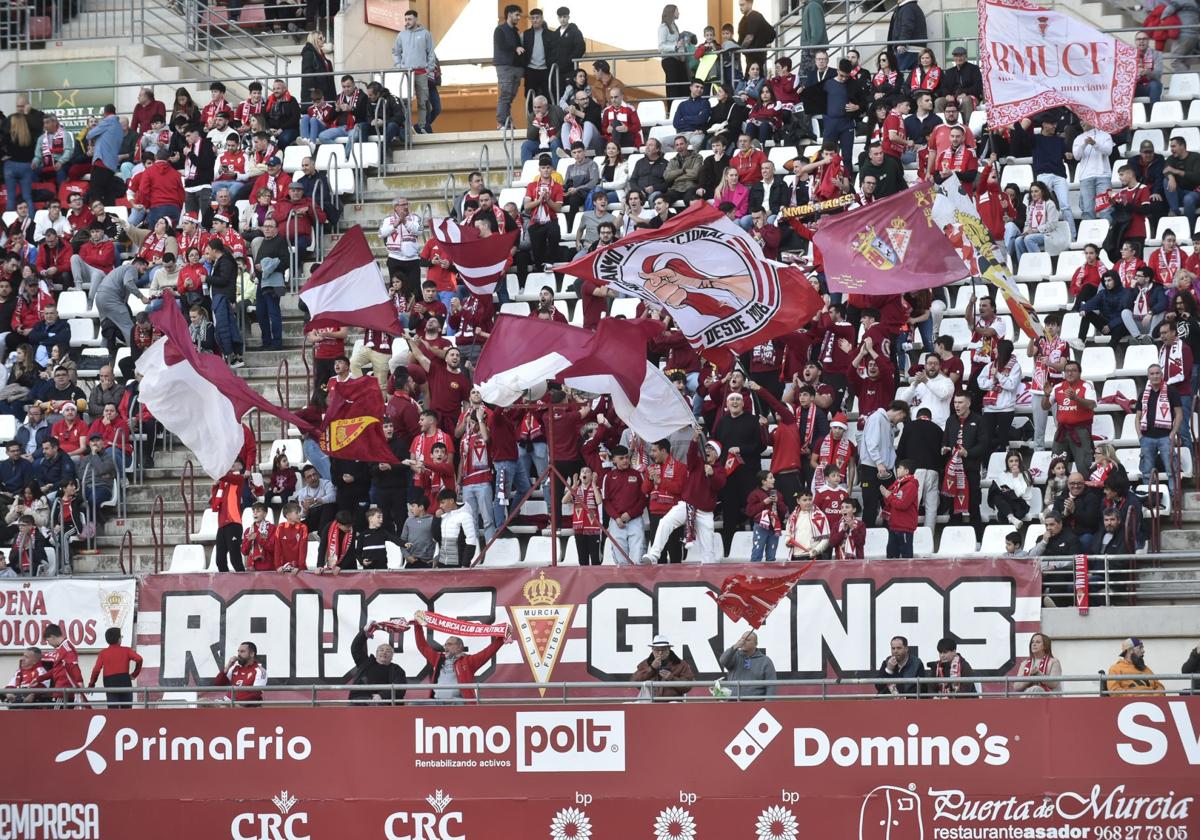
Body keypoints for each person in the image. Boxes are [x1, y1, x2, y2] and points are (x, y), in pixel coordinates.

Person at [643, 431, 726, 564]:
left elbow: (719, 485)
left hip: (705, 512)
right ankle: (653, 554)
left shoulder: (720, 470)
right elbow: (691, 456)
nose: (708, 450)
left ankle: (709, 573)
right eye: (707, 448)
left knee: (708, 548)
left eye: (711, 449)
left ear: (717, 454)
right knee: (665, 522)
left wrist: (712, 474)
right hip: (688, 505)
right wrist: (694, 441)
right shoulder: (698, 463)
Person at [410, 610, 506, 703]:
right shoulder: (438, 658)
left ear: (459, 647)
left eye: (450, 644)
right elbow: (422, 646)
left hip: (459, 703)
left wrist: (501, 640)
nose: (446, 647)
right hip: (437, 702)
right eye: (445, 644)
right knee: (414, 704)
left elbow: (487, 652)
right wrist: (417, 626)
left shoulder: (468, 661)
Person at [859, 400, 909, 528]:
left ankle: (889, 533)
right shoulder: (877, 418)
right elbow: (872, 443)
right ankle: (868, 536)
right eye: (901, 418)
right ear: (900, 412)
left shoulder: (887, 423)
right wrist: (879, 463)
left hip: (884, 468)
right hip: (872, 467)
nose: (899, 422)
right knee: (871, 504)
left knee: (889, 504)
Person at [1138, 363, 1183, 499]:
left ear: (1162, 375)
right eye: (1152, 374)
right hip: (1146, 437)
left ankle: (1175, 498)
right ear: (1148, 376)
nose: (1155, 376)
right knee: (1147, 472)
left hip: (1165, 437)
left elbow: (1179, 414)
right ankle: (1150, 498)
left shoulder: (1171, 391)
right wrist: (1140, 435)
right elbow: (1137, 417)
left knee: (1172, 470)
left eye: (1157, 373)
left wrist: (1173, 433)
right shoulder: (1144, 393)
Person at [1043, 360, 1096, 474]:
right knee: (1057, 464)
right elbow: (1045, 406)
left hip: (1080, 431)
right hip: (1062, 430)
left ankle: (1087, 490)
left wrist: (1076, 398)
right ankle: (1059, 490)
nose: (1070, 373)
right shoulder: (1058, 387)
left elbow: (1092, 405)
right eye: (1067, 371)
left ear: (1079, 373)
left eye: (1073, 371)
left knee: (1084, 466)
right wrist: (1046, 395)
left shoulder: (1086, 385)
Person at [392, 9, 437, 134]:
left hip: (421, 72)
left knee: (423, 101)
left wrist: (428, 68)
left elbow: (431, 52)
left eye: (410, 19)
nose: (407, 21)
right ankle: (407, 127)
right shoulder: (401, 35)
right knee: (405, 102)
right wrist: (399, 66)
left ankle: (422, 126)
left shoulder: (425, 34)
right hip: (406, 74)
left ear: (416, 19)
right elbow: (396, 52)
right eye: (406, 19)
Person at [349, 622, 408, 705]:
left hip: (385, 703)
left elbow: (400, 688)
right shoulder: (365, 663)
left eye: (388, 651)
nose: (384, 653)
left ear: (392, 656)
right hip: (361, 700)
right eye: (381, 650)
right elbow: (356, 648)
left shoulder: (397, 670)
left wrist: (382, 696)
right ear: (376, 653)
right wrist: (364, 633)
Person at [87, 627, 143, 708]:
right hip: (124, 680)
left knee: (113, 711)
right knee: (126, 710)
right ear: (118, 639)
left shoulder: (103, 653)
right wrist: (134, 674)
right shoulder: (126, 650)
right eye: (121, 637)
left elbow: (96, 670)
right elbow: (139, 659)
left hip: (110, 682)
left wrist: (92, 684)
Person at [493, 5, 526, 130]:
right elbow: (502, 45)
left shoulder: (516, 32)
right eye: (517, 15)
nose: (519, 18)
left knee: (509, 97)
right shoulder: (500, 30)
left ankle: (507, 122)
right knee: (505, 96)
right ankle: (501, 123)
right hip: (505, 66)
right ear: (509, 14)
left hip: (516, 68)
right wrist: (515, 48)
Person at [632, 634, 695, 699]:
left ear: (669, 649)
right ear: (652, 650)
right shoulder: (645, 663)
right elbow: (635, 681)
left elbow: (688, 686)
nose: (660, 653)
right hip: (650, 702)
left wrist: (672, 678)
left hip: (673, 703)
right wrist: (651, 668)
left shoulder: (681, 664)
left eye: (663, 649)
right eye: (657, 650)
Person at [719, 630, 777, 698]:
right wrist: (734, 647)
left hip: (756, 702)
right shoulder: (734, 656)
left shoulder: (765, 661)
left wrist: (767, 704)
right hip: (733, 701)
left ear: (755, 644)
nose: (743, 642)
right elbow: (723, 661)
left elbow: (771, 686)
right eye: (742, 639)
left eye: (747, 640)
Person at [880, 459, 919, 558]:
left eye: (900, 468)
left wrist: (888, 496)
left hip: (904, 527)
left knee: (906, 559)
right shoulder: (897, 484)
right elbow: (889, 501)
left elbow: (903, 505)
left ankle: (908, 574)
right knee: (891, 557)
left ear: (907, 471)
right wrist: (886, 495)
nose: (897, 469)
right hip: (894, 526)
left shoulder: (911, 485)